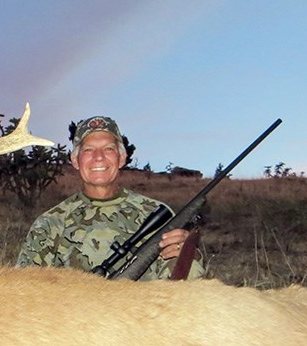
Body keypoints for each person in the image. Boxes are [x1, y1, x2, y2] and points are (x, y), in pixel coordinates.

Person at [16, 116, 204, 280]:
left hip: (146, 316)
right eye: (88, 150)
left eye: (108, 149)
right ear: (75, 160)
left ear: (122, 158)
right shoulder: (50, 223)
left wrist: (188, 253)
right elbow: (24, 289)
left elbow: (185, 281)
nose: (98, 157)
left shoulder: (156, 214)